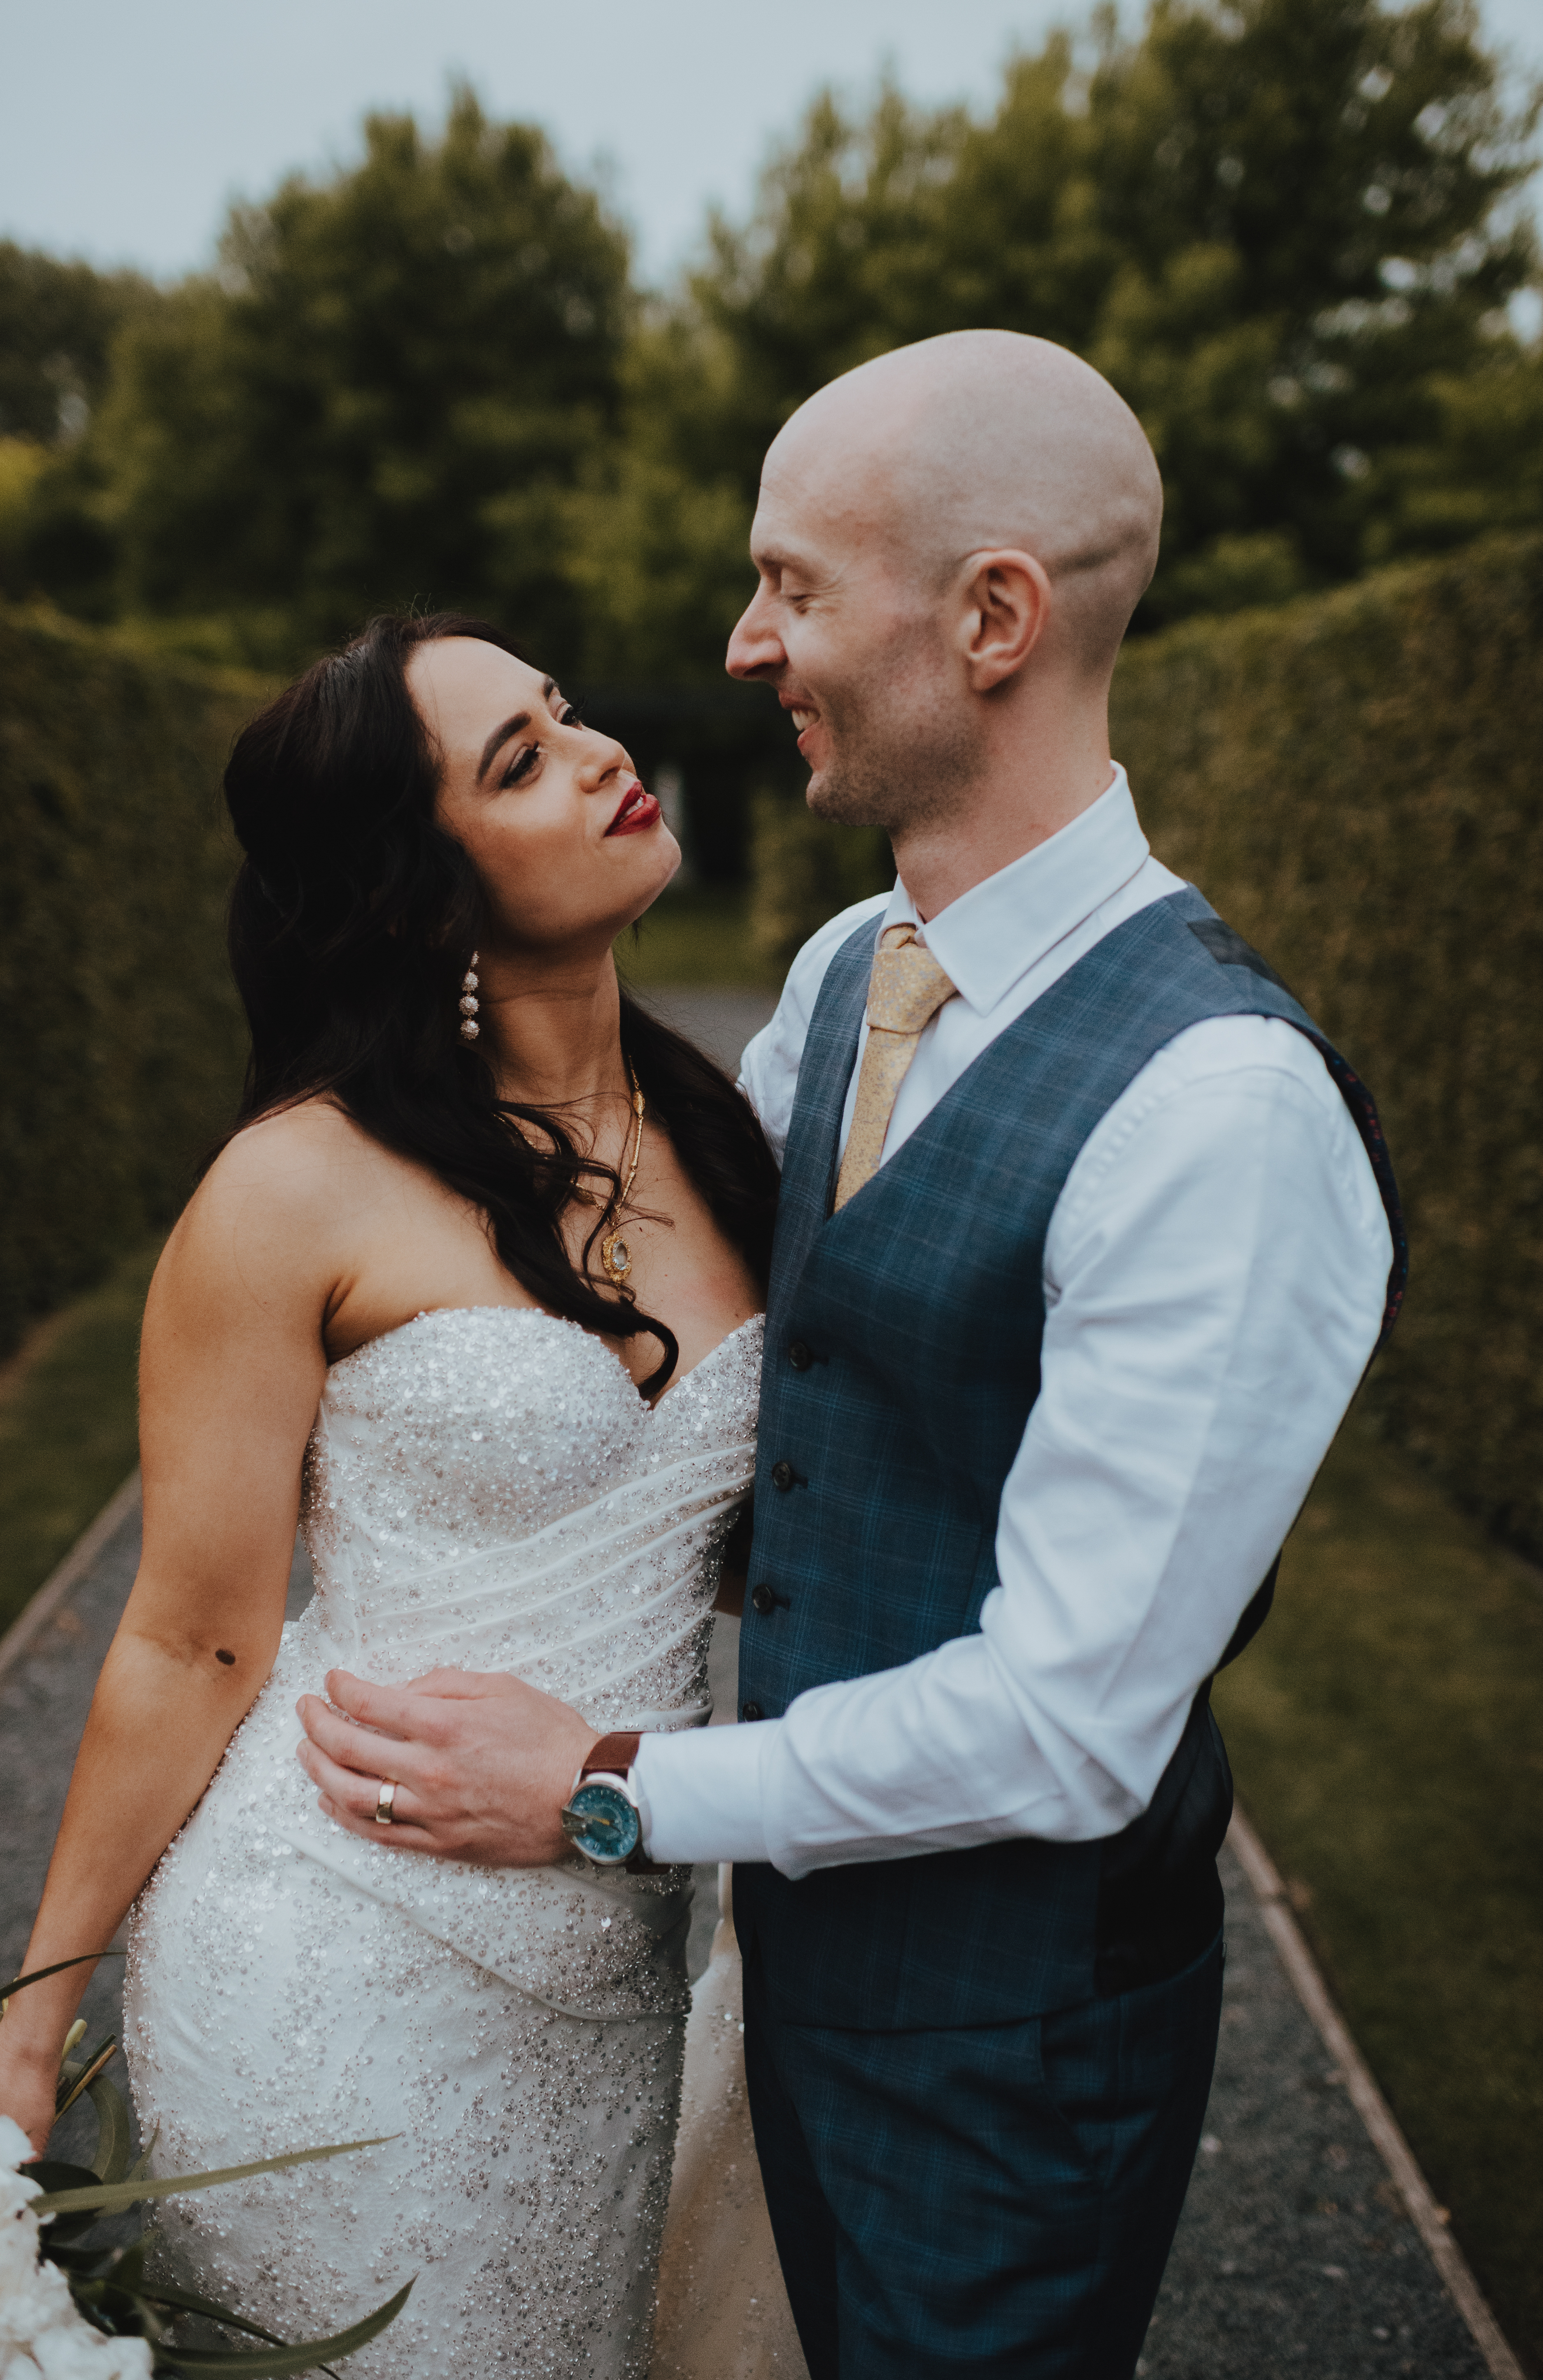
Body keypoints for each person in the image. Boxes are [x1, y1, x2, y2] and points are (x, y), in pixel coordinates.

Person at [299, 331, 1405, 2378]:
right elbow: (786, 1406)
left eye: (793, 586)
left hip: (1007, 2056)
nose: (739, 645)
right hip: (772, 1971)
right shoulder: (841, 972)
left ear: (991, 619)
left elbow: (1074, 1725)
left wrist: (607, 1791)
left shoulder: (1219, 1110)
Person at [0, 613, 781, 2378]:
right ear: (417, 894)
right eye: (520, 761)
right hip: (327, 1957)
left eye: (560, 716)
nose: (595, 755)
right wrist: (30, 2031)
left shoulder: (733, 1147)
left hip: (615, 1965)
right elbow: (190, 1640)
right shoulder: (290, 1192)